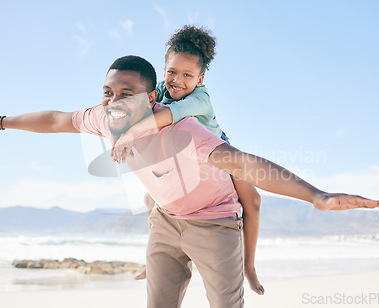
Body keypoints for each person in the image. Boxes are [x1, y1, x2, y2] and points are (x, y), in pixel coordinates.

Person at [0, 55, 379, 308]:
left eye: (124, 93)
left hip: (216, 223)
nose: (111, 101)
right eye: (107, 92)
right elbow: (55, 120)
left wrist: (318, 196)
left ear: (150, 99)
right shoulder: (104, 119)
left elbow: (245, 163)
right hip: (165, 222)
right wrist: (0, 122)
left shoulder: (186, 131)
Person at [111, 25, 264, 294]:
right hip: (182, 159)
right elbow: (134, 103)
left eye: (187, 75)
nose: (177, 80)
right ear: (164, 69)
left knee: (253, 200)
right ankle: (157, 260)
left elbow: (171, 115)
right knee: (151, 200)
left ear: (200, 79)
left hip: (217, 151)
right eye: (172, 71)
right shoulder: (158, 89)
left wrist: (133, 132)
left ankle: (249, 265)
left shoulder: (201, 98)